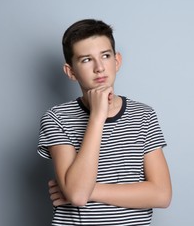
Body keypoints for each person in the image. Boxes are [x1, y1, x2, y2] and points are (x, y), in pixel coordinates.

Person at [37, 19, 172, 225]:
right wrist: (98, 116)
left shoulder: (143, 115)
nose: (99, 68)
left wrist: (89, 190)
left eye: (105, 56)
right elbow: (78, 196)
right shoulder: (57, 118)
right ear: (70, 71)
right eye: (86, 60)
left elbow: (162, 194)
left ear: (117, 61)